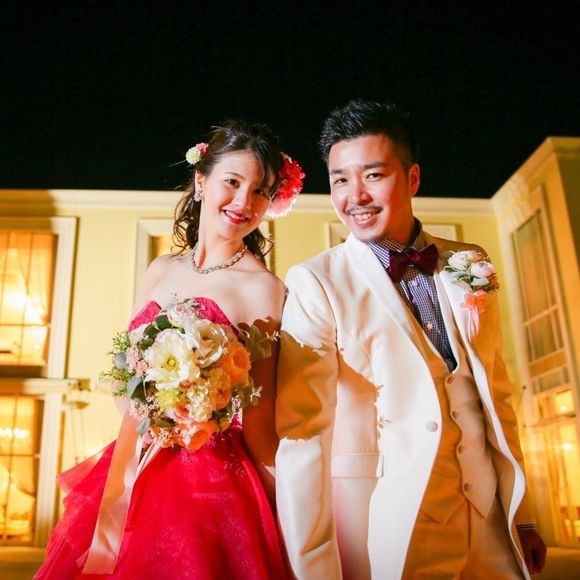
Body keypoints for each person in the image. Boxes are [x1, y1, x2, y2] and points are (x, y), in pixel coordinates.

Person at [275, 99, 547, 579]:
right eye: (340, 180)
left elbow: (497, 393)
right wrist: (312, 565)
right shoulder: (315, 281)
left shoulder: (468, 261)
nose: (355, 196)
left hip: (490, 520)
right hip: (392, 522)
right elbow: (304, 435)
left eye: (373, 175)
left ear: (413, 178)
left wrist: (522, 514)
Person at [35, 119, 303, 579]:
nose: (244, 202)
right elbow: (125, 376)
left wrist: (291, 519)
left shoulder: (264, 289)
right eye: (232, 182)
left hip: (211, 489)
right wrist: (153, 413)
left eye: (260, 192)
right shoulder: (160, 269)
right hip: (134, 463)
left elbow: (261, 425)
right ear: (201, 182)